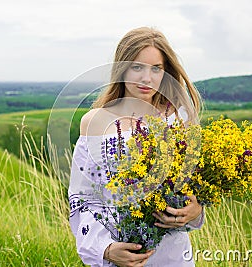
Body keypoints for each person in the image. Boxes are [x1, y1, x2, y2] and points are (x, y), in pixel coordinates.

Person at [69, 27, 204, 267]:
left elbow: (195, 186)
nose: (146, 78)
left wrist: (195, 211)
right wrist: (106, 249)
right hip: (120, 256)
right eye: (137, 67)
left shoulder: (177, 118)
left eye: (156, 69)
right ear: (122, 68)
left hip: (173, 256)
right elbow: (82, 198)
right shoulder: (95, 122)